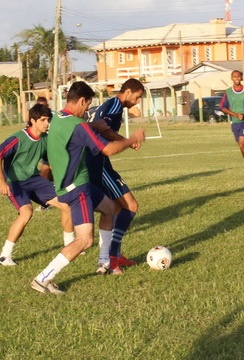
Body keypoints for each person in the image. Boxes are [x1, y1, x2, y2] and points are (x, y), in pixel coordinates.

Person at [30, 81, 145, 294]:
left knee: (110, 208)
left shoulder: (56, 118)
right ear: (82, 101)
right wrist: (131, 140)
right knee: (85, 240)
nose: (87, 111)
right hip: (77, 190)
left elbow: (72, 127)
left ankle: (104, 262)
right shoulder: (78, 125)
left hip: (76, 184)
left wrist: (94, 126)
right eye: (87, 105)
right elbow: (108, 150)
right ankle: (43, 278)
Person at [0, 104, 74, 266]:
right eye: (42, 120)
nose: (46, 123)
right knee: (26, 213)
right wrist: (1, 181)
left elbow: (51, 160)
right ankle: (4, 255)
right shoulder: (18, 139)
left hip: (34, 180)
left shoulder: (45, 139)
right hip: (15, 182)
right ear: (32, 121)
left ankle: (70, 244)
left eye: (48, 120)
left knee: (66, 204)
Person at [85, 78, 145, 274]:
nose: (137, 102)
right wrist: (128, 140)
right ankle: (111, 258)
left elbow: (101, 128)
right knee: (130, 206)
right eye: (137, 97)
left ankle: (113, 256)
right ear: (127, 92)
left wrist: (126, 140)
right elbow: (104, 129)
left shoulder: (110, 104)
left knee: (117, 208)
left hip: (98, 162)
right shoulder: (115, 106)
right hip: (98, 163)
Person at [220, 70, 244, 181]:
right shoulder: (228, 92)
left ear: (241, 77)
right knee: (241, 146)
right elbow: (223, 107)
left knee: (242, 143)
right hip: (235, 122)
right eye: (234, 76)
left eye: (238, 76)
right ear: (231, 78)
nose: (236, 78)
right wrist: (235, 115)